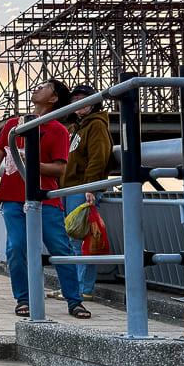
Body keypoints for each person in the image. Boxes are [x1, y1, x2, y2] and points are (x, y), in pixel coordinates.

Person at [0, 79, 91, 319]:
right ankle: (23, 299)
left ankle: (75, 300)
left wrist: (31, 164)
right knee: (16, 247)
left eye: (45, 86)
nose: (37, 88)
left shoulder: (58, 130)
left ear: (53, 99)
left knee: (60, 249)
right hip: (11, 197)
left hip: (45, 198)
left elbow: (61, 169)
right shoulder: (13, 124)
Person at [52, 84, 113, 301]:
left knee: (81, 240)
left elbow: (98, 157)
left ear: (94, 101)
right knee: (73, 239)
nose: (78, 102)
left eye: (83, 98)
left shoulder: (95, 125)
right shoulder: (76, 127)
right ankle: (74, 288)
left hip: (82, 188)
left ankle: (81, 289)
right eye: (74, 98)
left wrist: (91, 187)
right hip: (71, 188)